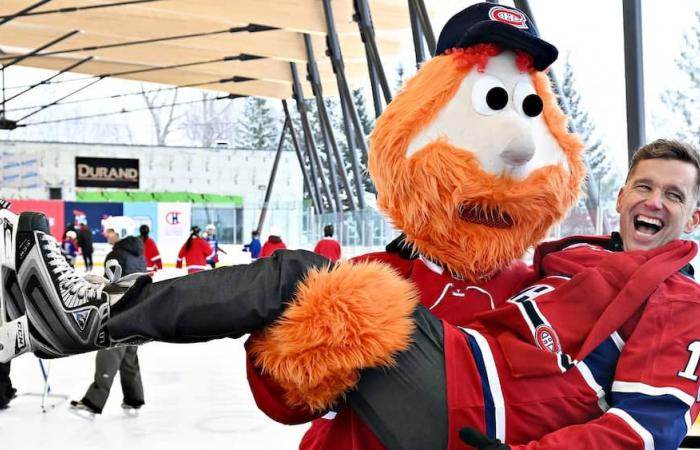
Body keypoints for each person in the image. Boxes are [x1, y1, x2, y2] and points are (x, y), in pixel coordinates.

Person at [69, 228, 147, 417]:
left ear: (121, 231)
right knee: (129, 355)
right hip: (137, 309)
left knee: (108, 353)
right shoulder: (138, 254)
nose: (107, 235)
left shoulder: (116, 254)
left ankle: (93, 401)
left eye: (111, 231)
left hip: (119, 311)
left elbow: (113, 285)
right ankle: (134, 398)